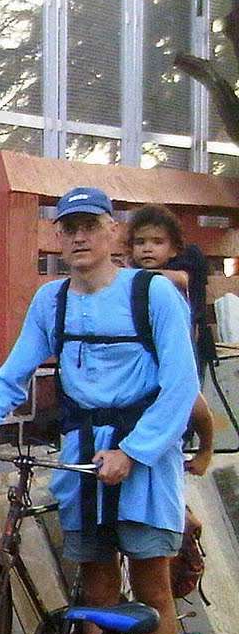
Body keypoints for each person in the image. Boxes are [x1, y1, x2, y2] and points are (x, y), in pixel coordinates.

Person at [0, 187, 198, 634]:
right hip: (81, 455)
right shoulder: (52, 299)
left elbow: (181, 386)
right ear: (57, 238)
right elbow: (14, 373)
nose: (80, 236)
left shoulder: (152, 293)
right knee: (97, 585)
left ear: (113, 231)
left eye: (90, 225)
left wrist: (133, 451)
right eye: (69, 228)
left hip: (144, 457)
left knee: (153, 585)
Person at [128, 203, 215, 479]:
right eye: (140, 242)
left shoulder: (184, 266)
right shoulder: (132, 275)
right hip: (145, 350)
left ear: (174, 248)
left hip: (183, 347)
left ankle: (206, 448)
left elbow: (180, 279)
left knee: (189, 398)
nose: (147, 249)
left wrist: (137, 277)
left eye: (157, 242)